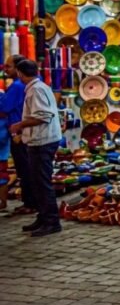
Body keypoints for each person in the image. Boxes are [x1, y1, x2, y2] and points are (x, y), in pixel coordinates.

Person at [9, 59, 62, 237]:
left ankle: (51, 221)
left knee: (42, 182)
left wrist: (20, 125)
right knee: (38, 181)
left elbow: (43, 116)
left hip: (42, 141)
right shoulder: (38, 87)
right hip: (40, 141)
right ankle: (44, 216)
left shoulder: (36, 89)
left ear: (20, 73)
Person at [0, 55, 33, 215]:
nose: (5, 69)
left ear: (18, 69)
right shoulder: (22, 85)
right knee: (25, 168)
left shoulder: (17, 87)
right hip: (20, 131)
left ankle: (29, 203)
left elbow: (5, 107)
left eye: (8, 67)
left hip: (18, 133)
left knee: (24, 168)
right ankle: (30, 202)